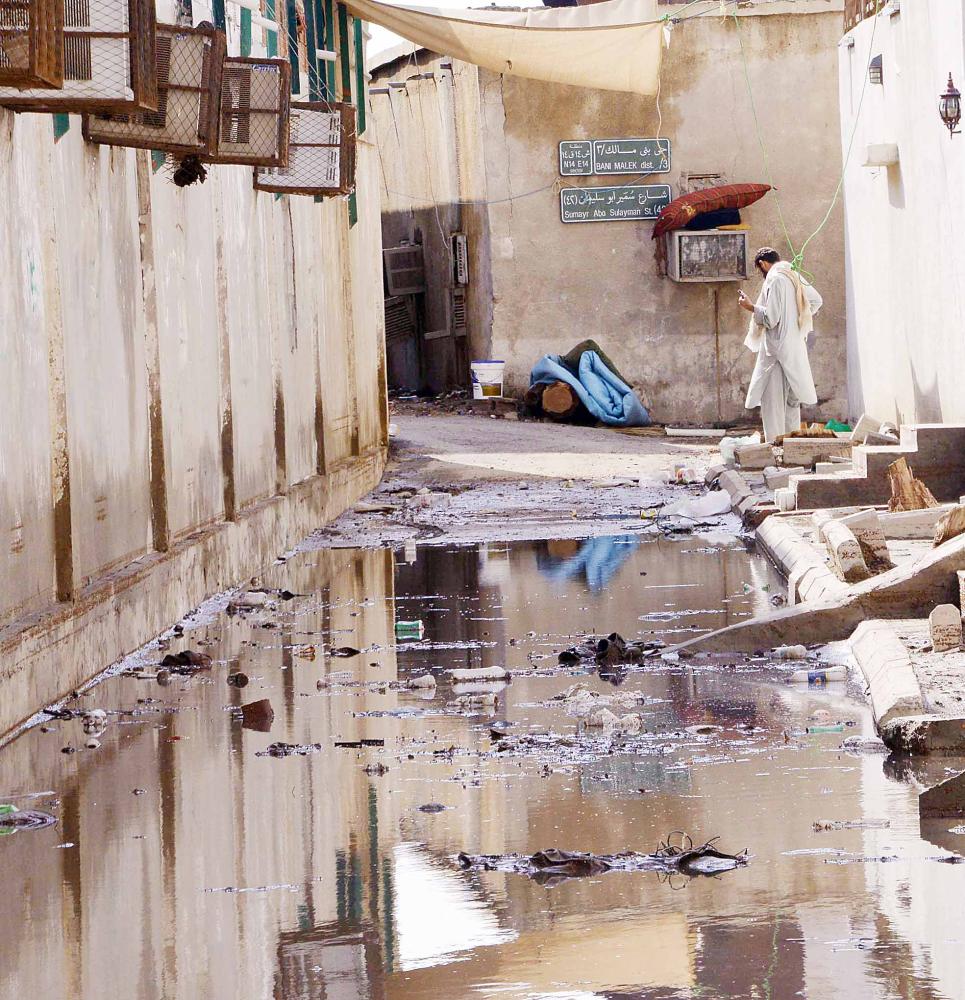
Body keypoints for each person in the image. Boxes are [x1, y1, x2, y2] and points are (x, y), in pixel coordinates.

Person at [738, 247, 823, 443]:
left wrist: (750, 307)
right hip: (794, 348)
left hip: (776, 351)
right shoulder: (793, 274)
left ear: (762, 264)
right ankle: (792, 446)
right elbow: (816, 301)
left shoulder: (774, 279)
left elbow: (771, 319)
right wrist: (798, 319)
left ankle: (775, 446)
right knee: (791, 403)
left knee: (773, 404)